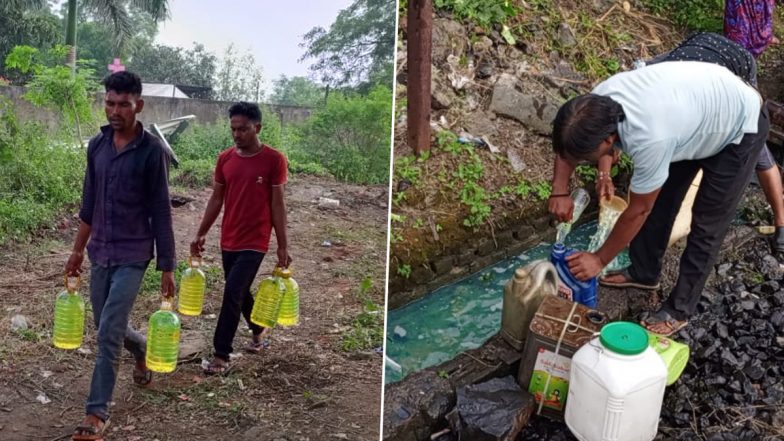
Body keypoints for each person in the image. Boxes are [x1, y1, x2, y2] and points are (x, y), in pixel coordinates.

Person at [549, 61, 769, 336]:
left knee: (706, 223)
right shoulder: (595, 105)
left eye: (584, 158)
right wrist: (563, 188)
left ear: (608, 139)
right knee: (664, 201)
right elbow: (571, 146)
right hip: (691, 117)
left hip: (738, 124)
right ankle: (644, 273)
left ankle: (680, 309)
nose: (578, 161)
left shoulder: (650, 139)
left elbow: (639, 210)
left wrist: (599, 258)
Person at [597, 32, 784, 254]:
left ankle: (781, 220)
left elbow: (641, 204)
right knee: (674, 173)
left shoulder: (709, 90)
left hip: (736, 75)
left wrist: (600, 258)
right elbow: (606, 131)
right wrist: (604, 173)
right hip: (697, 64)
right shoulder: (642, 84)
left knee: (756, 152)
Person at [65, 71, 176, 440]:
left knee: (109, 331)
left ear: (138, 105)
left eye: (123, 104)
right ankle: (141, 347)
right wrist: (77, 250)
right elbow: (89, 205)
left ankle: (96, 413)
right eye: (110, 103)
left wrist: (167, 266)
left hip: (133, 253)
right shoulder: (96, 146)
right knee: (105, 324)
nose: (115, 111)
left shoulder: (151, 152)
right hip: (101, 251)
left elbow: (161, 211)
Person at [190, 102, 291, 375]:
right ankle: (259, 331)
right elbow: (216, 198)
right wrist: (201, 232)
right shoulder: (225, 159)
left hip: (256, 240)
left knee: (232, 292)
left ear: (257, 128)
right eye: (233, 129)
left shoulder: (274, 160)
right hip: (229, 238)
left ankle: (221, 355)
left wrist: (282, 244)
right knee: (240, 291)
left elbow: (277, 204)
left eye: (243, 129)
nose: (237, 134)